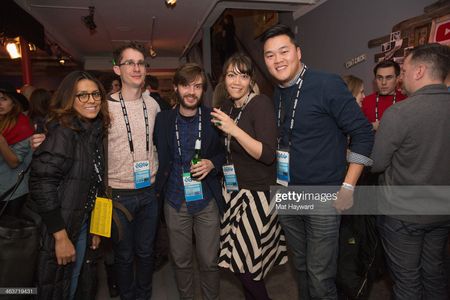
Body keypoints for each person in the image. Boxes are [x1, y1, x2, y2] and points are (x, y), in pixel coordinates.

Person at [261, 24, 374, 299]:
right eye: (269, 55)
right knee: (300, 269)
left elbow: (362, 133)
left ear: (298, 52)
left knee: (320, 276)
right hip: (288, 194)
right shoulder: (277, 93)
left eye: (284, 51)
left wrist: (348, 187)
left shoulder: (327, 84)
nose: (278, 60)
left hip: (324, 196)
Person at [371, 43, 450, 300]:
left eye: (403, 71)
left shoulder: (399, 113)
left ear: (420, 72)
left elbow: (378, 163)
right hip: (442, 211)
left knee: (407, 282)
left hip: (404, 215)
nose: (400, 77)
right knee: (435, 273)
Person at [211, 53, 288, 300]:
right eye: (231, 75)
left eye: (242, 76)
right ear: (224, 79)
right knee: (239, 263)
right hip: (234, 193)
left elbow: (267, 154)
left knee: (246, 267)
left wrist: (234, 130)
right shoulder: (226, 107)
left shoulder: (260, 104)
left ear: (250, 79)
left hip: (258, 196)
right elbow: (224, 151)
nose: (236, 82)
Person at [29, 71, 110, 299]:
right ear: (68, 99)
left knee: (73, 283)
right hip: (60, 228)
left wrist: (96, 225)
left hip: (80, 223)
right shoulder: (63, 133)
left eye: (95, 94)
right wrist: (60, 237)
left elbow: (93, 182)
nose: (91, 100)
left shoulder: (92, 131)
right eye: (82, 95)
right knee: (59, 287)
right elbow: (41, 185)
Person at [154, 63, 225, 300]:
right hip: (174, 201)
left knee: (209, 260)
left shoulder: (214, 118)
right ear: (176, 87)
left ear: (203, 89)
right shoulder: (163, 120)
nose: (191, 91)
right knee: (181, 260)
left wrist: (213, 163)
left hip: (206, 200)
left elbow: (226, 152)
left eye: (197, 86)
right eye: (186, 85)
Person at [109, 42, 160, 300]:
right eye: (130, 63)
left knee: (146, 252)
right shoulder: (104, 108)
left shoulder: (153, 105)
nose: (137, 68)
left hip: (149, 193)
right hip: (119, 196)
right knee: (124, 256)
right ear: (117, 69)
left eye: (141, 62)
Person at [0, 82, 34, 216]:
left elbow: (14, 162)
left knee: (8, 234)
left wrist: (2, 141)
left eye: (4, 99)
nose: (0, 103)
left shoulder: (21, 126)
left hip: (12, 193)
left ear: (13, 103)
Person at [362, 60, 407, 130]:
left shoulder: (406, 101)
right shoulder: (365, 101)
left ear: (397, 79)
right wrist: (371, 126)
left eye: (389, 77)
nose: (383, 82)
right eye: (379, 78)